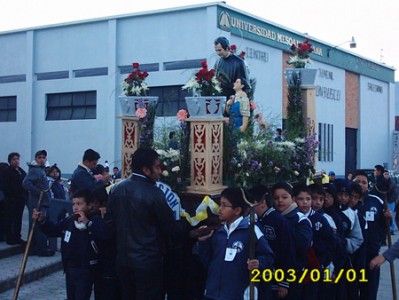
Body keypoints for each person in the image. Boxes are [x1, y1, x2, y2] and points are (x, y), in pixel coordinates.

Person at [104, 148, 192, 299]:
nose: (160, 171)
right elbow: (170, 227)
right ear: (146, 169)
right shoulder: (154, 193)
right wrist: (189, 222)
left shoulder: (117, 189)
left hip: (123, 261)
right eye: (157, 167)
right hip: (148, 262)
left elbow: (110, 224)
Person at [32, 188, 110, 300]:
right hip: (70, 267)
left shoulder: (95, 220)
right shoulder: (69, 220)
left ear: (89, 205)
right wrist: (42, 220)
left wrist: (87, 223)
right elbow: (54, 229)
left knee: (81, 296)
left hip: (86, 268)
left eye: (79, 204)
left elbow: (103, 235)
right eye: (73, 204)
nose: (75, 207)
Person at [198, 187, 274, 300]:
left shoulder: (251, 230)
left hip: (239, 294)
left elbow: (269, 257)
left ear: (237, 210)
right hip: (213, 294)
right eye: (220, 204)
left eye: (225, 205)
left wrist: (258, 263)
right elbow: (208, 262)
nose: (220, 209)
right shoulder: (217, 232)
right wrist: (203, 243)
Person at [248, 185, 294, 299]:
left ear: (262, 202)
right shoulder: (257, 220)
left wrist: (283, 282)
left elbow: (288, 252)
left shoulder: (279, 221)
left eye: (251, 203)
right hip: (263, 277)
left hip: (277, 278)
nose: (249, 207)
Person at [352, 171, 391, 300]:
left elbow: (385, 226)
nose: (361, 185)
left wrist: (388, 219)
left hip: (371, 256)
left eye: (364, 182)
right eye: (358, 181)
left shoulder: (377, 201)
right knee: (350, 291)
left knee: (369, 293)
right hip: (352, 256)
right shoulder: (347, 201)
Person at [272, 182, 312, 300]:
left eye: (284, 197)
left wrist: (285, 281)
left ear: (292, 198)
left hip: (293, 277)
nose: (280, 201)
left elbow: (300, 247)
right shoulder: (272, 218)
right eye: (276, 198)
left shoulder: (300, 220)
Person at [294, 184, 335, 300]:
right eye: (301, 199)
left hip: (315, 267)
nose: (305, 202)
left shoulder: (321, 219)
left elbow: (330, 242)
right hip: (295, 268)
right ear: (294, 199)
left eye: (308, 199)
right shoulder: (291, 218)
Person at [22, 150, 55, 256]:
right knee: (39, 226)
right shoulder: (35, 170)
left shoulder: (41, 170)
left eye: (44, 157)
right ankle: (42, 249)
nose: (42, 159)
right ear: (36, 159)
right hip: (38, 203)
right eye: (39, 157)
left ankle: (32, 249)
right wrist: (38, 191)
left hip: (42, 202)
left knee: (35, 225)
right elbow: (26, 183)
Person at [3, 152, 27, 245]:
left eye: (17, 159)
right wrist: (11, 196)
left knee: (18, 219)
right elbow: (6, 186)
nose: (16, 161)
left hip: (20, 199)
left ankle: (17, 236)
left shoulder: (21, 171)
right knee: (10, 219)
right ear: (10, 161)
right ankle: (9, 237)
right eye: (14, 159)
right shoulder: (7, 172)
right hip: (11, 200)